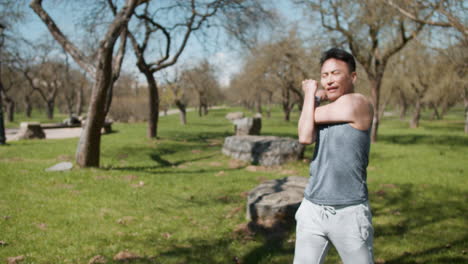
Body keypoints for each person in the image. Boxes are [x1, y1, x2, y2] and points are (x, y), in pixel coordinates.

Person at [294, 48, 374, 264]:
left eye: (336, 73)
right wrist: (315, 98)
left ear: (353, 77)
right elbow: (305, 135)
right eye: (324, 75)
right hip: (312, 208)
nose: (329, 80)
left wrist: (311, 94)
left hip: (349, 212)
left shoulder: (358, 103)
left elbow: (307, 120)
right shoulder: (328, 108)